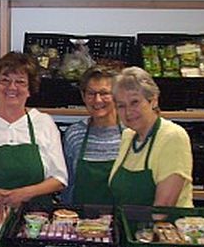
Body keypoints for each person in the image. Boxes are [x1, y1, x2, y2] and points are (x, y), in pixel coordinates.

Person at [0, 52, 67, 207]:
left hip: (36, 216)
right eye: (5, 80)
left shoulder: (44, 122)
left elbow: (59, 179)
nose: (12, 87)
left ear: (30, 90)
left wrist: (26, 193)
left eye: (20, 82)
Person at [109, 67, 194, 207]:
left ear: (153, 100)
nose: (128, 111)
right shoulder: (128, 136)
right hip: (128, 225)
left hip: (163, 227)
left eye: (134, 102)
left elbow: (163, 207)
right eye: (121, 106)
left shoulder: (172, 136)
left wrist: (143, 230)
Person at [61, 66, 122, 205]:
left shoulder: (131, 134)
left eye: (104, 93)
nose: (98, 100)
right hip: (82, 221)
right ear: (83, 96)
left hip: (120, 220)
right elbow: (67, 183)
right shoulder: (74, 134)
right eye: (91, 93)